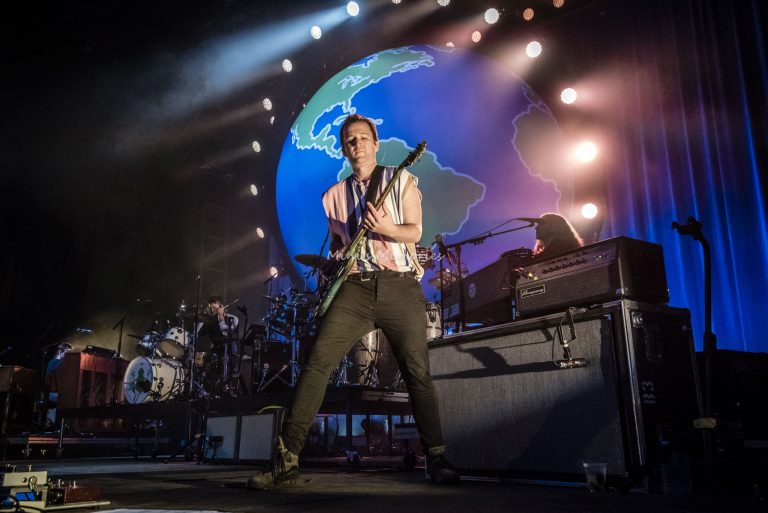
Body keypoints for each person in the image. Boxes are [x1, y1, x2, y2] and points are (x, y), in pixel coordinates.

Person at [246, 113, 459, 489]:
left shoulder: (401, 178)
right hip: (355, 288)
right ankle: (286, 459)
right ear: (343, 149)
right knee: (316, 364)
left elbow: (415, 231)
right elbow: (340, 244)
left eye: (362, 137)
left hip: (399, 285)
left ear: (375, 143)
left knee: (417, 373)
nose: (356, 143)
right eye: (349, 139)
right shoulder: (333, 197)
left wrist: (386, 228)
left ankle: (437, 457)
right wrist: (336, 260)